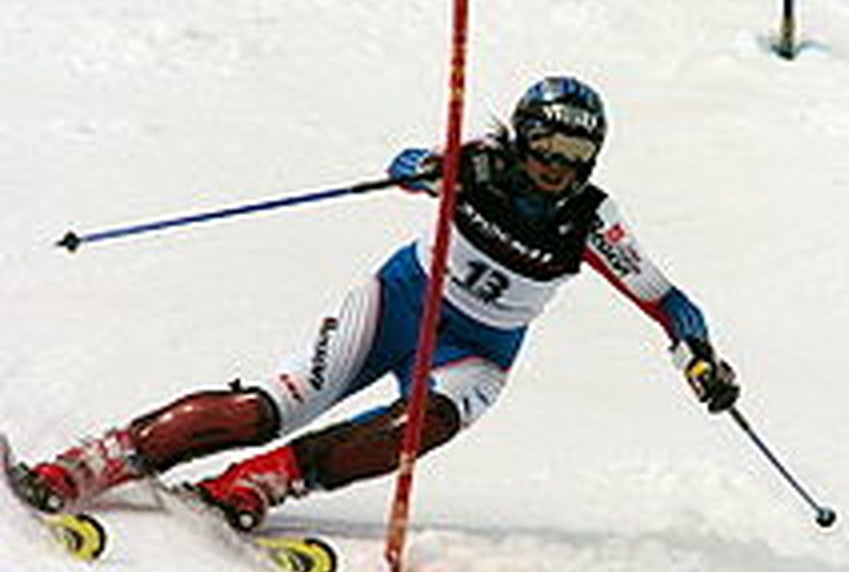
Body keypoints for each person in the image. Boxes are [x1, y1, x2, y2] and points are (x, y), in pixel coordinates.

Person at [12, 76, 740, 532]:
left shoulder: (592, 220)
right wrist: (426, 170)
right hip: (398, 303)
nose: (557, 170)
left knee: (419, 428)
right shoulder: (480, 162)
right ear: (520, 138)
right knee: (267, 408)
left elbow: (666, 300)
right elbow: (405, 167)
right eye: (546, 150)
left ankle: (262, 482)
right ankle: (92, 463)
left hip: (478, 353)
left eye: (575, 159)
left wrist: (699, 358)